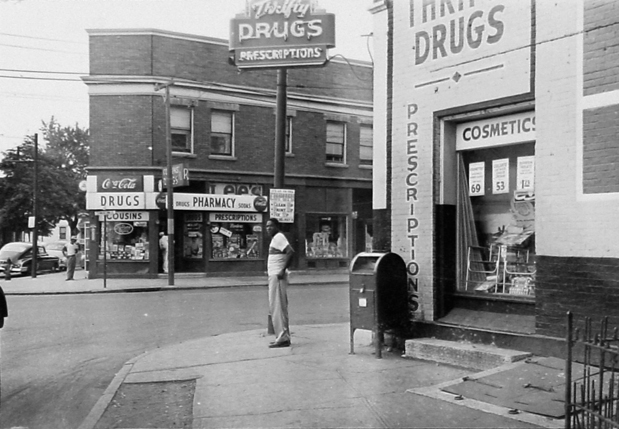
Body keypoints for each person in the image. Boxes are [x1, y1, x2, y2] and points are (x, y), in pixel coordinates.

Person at [266, 218, 294, 348]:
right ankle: (282, 336)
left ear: (277, 226)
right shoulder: (276, 238)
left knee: (277, 306)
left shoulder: (279, 237)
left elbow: (290, 252)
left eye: (271, 226)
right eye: (267, 227)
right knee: (278, 306)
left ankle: (282, 337)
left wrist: (282, 270)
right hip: (275, 275)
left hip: (277, 276)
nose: (268, 229)